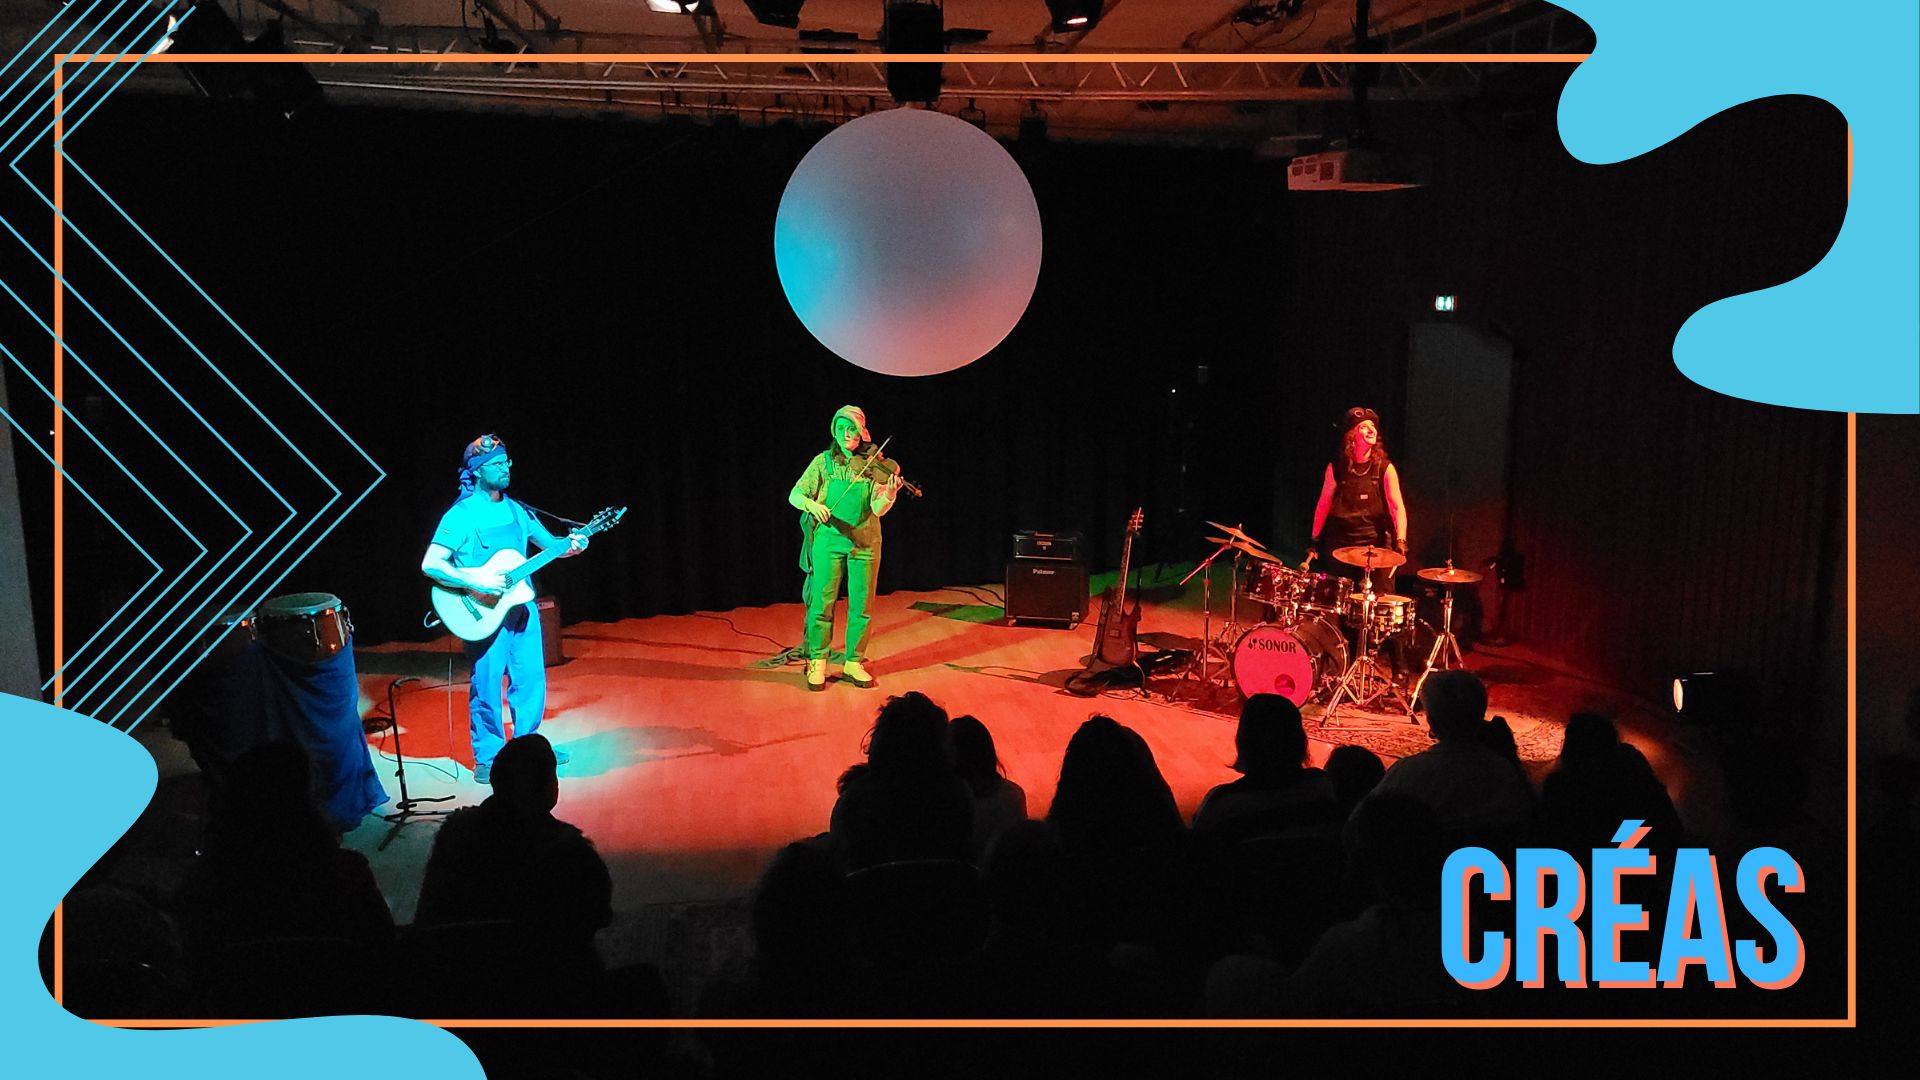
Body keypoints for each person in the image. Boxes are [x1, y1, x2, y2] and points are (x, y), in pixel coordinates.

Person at [421, 434, 586, 784]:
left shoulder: (517, 510)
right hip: (481, 612)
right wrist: (478, 581)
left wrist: (573, 545)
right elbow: (431, 564)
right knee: (487, 683)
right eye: (495, 464)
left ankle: (529, 747)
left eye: (506, 462)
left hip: (521, 607)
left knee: (530, 680)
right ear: (477, 471)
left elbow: (552, 546)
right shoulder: (461, 515)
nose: (505, 469)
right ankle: (489, 756)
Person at [789, 405, 904, 692]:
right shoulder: (823, 462)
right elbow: (795, 494)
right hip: (828, 541)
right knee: (822, 602)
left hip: (865, 543)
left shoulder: (873, 465)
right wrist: (811, 505)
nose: (845, 434)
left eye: (851, 428)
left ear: (862, 432)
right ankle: (818, 660)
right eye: (840, 428)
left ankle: (854, 661)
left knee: (862, 606)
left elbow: (877, 508)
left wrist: (890, 493)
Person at [1306, 406, 1408, 598]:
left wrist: (1401, 541)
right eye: (1364, 426)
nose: (1372, 430)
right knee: (1340, 604)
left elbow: (1397, 507)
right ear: (1352, 436)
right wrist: (1314, 540)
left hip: (1375, 548)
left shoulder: (1385, 469)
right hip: (1342, 548)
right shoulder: (1336, 468)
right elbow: (1323, 505)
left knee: (1377, 604)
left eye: (1373, 426)